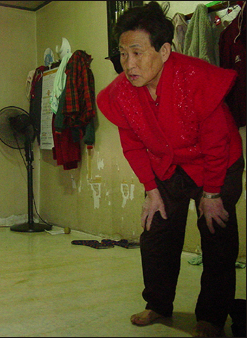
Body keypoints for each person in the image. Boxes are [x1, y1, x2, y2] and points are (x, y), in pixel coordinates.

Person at [96, 2, 244, 337]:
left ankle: (211, 316)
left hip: (217, 161)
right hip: (170, 164)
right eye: (123, 54)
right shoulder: (121, 93)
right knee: (156, 231)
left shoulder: (196, 77)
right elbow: (133, 146)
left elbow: (216, 141)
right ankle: (158, 304)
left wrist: (212, 192)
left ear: (164, 50)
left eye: (137, 52)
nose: (129, 64)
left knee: (216, 231)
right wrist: (151, 190)